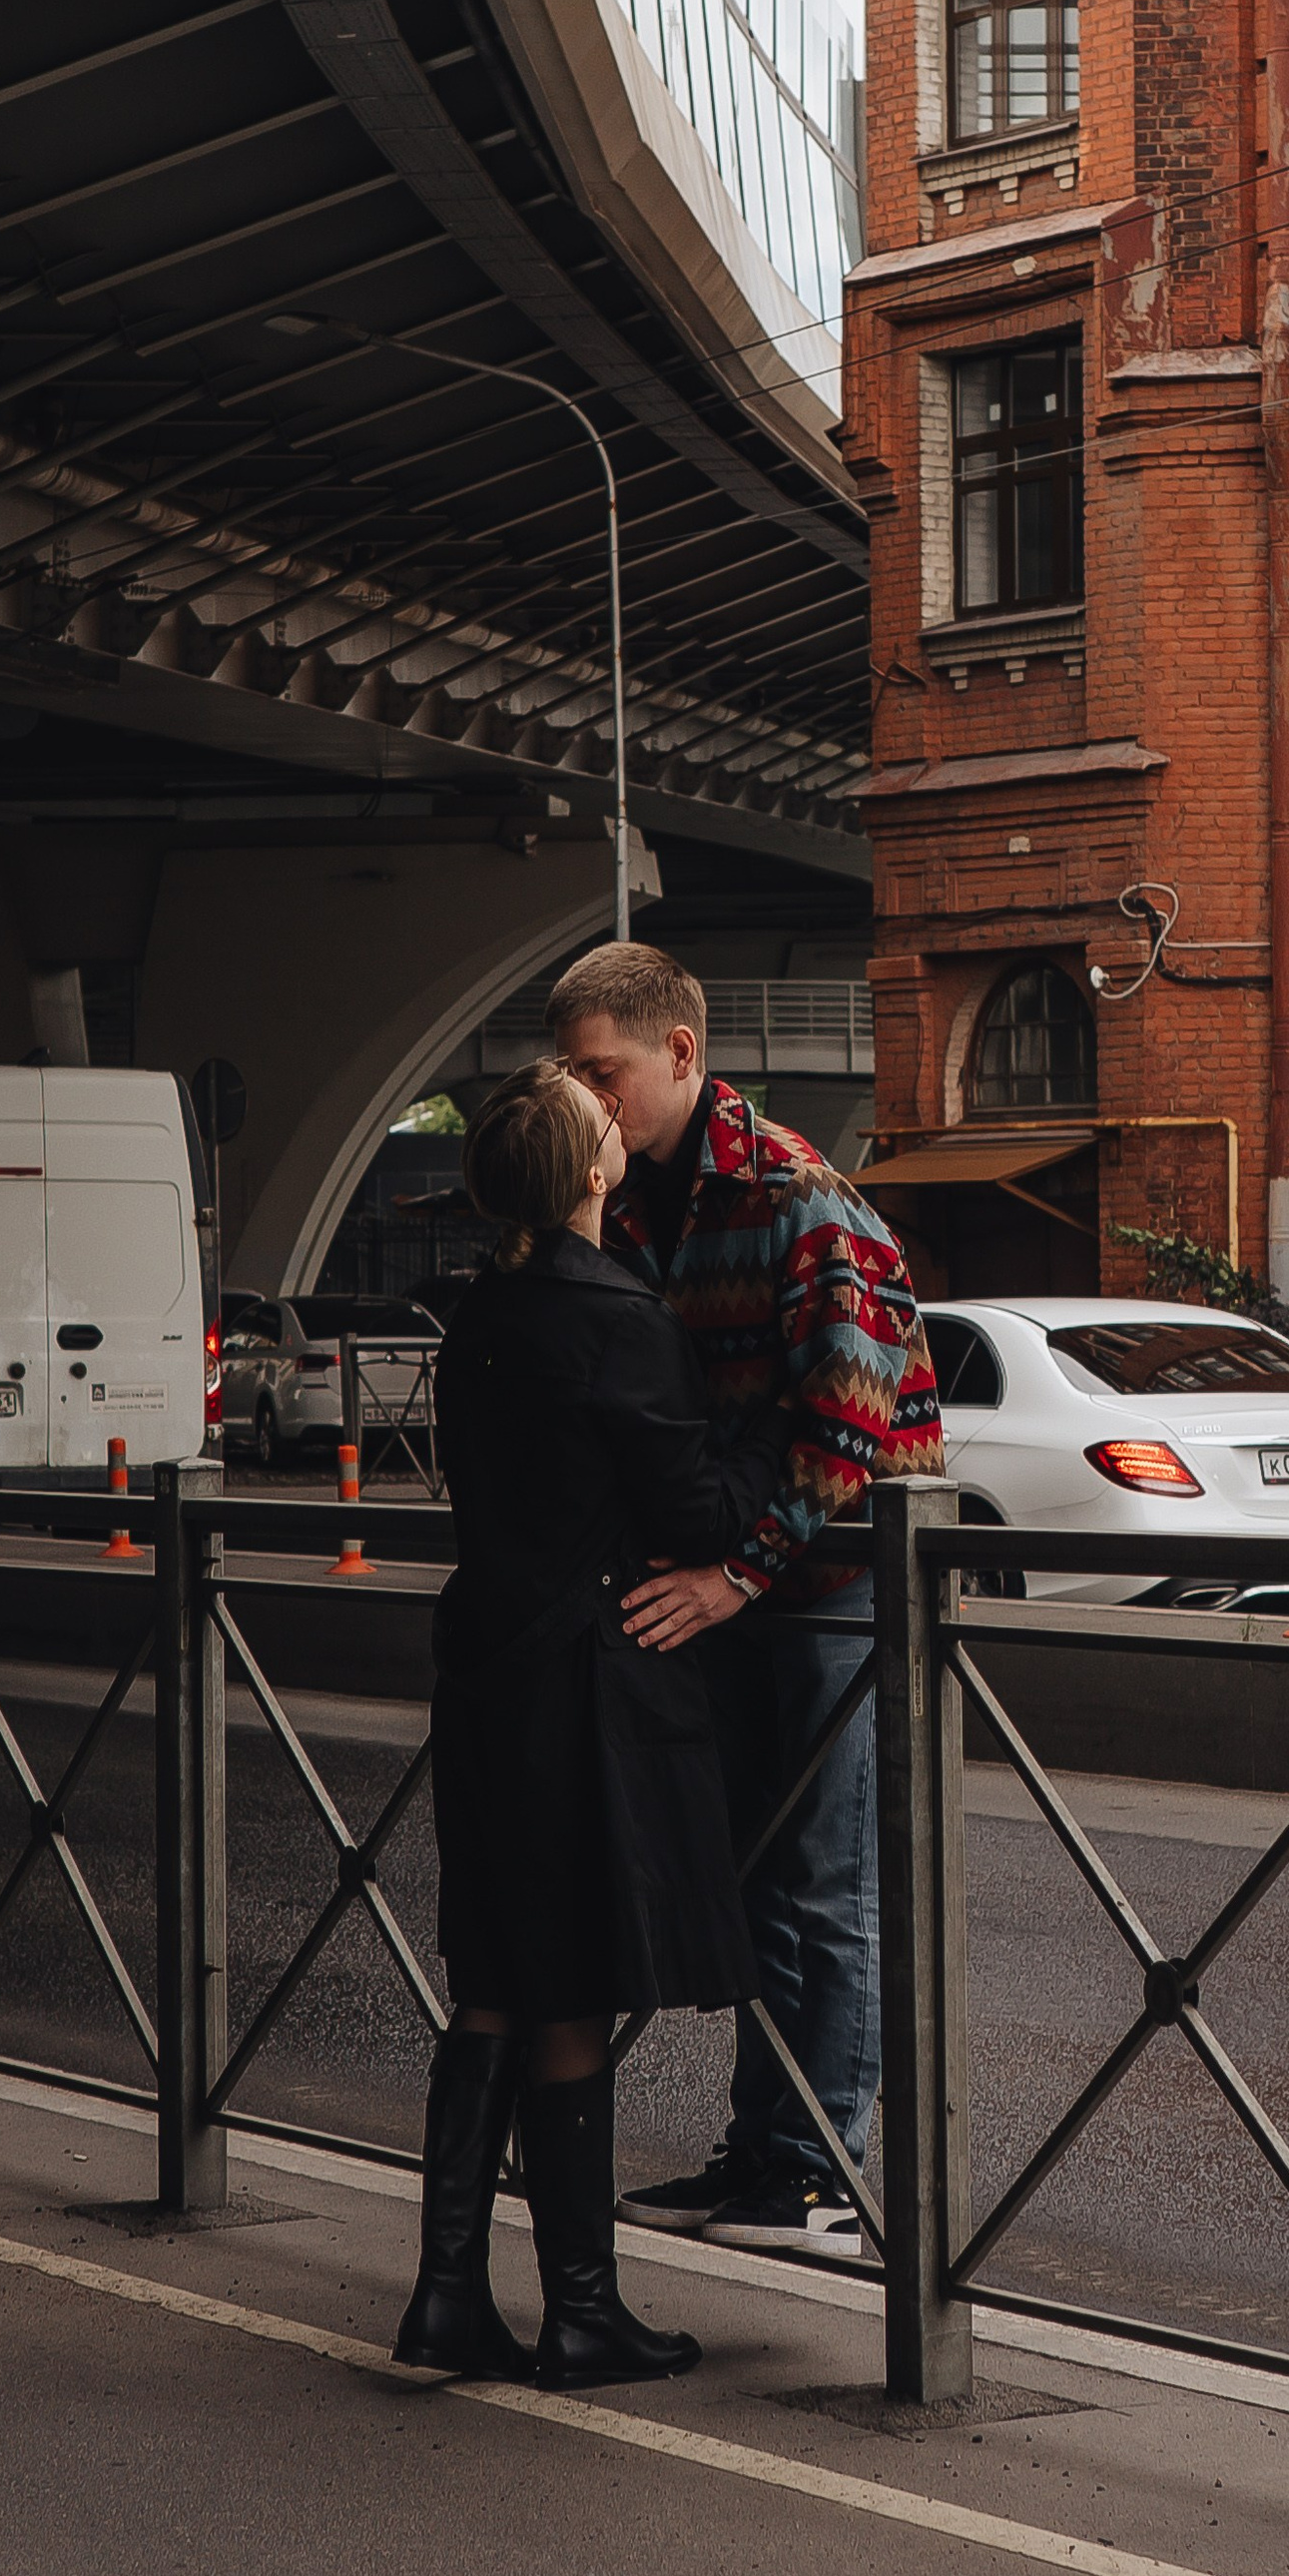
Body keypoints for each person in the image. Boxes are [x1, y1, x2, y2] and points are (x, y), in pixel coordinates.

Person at [551, 942, 945, 2259]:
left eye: (601, 1073)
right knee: (761, 1878)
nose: (586, 1100)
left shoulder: (796, 1195)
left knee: (824, 1886)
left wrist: (735, 1575)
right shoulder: (631, 1199)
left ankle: (824, 2175)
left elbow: (852, 1427)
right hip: (755, 1582)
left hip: (829, 1589)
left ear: (679, 1054)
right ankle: (769, 2158)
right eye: (569, 1076)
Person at [394, 1063, 785, 2392]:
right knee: (567, 1992)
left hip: (490, 1669)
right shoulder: (616, 1314)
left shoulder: (480, 1315)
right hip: (583, 1688)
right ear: (591, 1172)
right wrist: (760, 1447)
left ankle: (448, 2294)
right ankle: (581, 2311)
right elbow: (691, 1514)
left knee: (497, 1980)